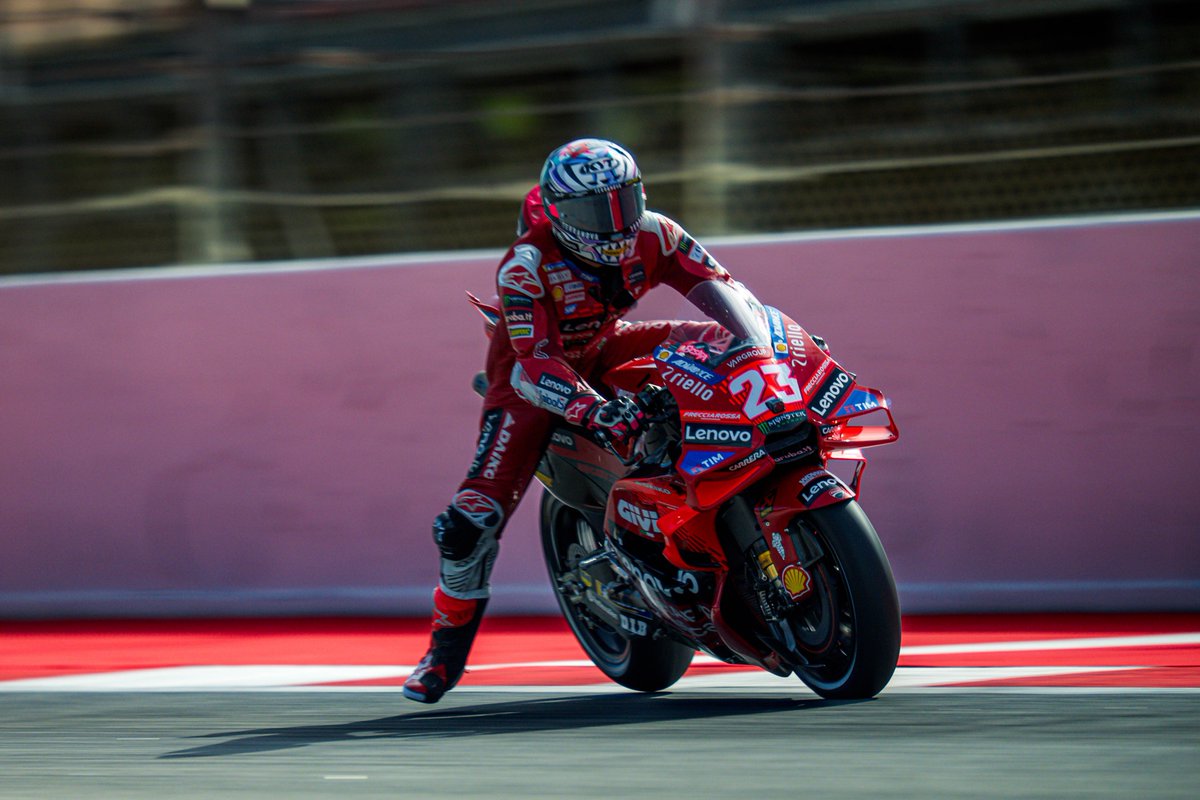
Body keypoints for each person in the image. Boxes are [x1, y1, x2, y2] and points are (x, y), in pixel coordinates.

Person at [403, 137, 741, 704]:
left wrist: (772, 343)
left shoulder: (656, 232)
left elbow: (723, 290)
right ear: (558, 215)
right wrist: (592, 408)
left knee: (719, 341)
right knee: (469, 521)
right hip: (529, 386)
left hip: (603, 347)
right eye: (593, 211)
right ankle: (444, 650)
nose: (613, 224)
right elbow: (537, 366)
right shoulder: (526, 265)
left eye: (622, 201)